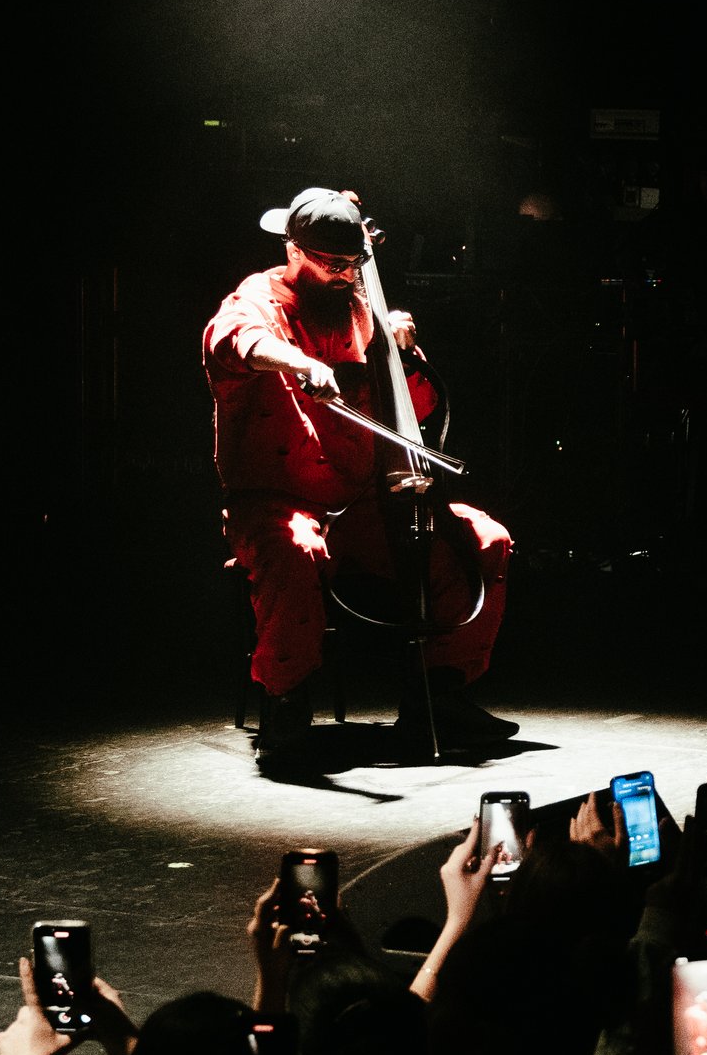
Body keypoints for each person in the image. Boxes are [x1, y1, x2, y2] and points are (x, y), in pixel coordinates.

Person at [205, 186, 517, 756]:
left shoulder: (359, 309)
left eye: (355, 263)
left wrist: (405, 356)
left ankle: (437, 694)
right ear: (294, 250)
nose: (347, 274)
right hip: (279, 499)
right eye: (333, 264)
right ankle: (288, 699)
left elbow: (416, 413)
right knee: (295, 552)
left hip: (364, 502)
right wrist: (298, 361)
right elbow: (235, 342)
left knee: (485, 541)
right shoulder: (257, 300)